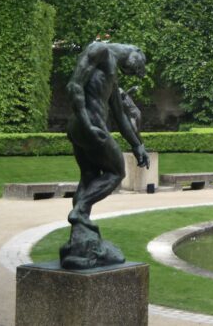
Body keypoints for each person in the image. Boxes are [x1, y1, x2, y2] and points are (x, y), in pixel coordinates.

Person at [61, 41, 150, 269]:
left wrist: (137, 145)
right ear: (135, 51)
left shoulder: (112, 72)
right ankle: (79, 211)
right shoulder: (99, 50)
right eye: (140, 65)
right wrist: (87, 124)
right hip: (88, 126)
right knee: (117, 172)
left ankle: (78, 242)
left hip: (85, 127)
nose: (137, 72)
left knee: (89, 178)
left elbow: (120, 117)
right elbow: (74, 86)